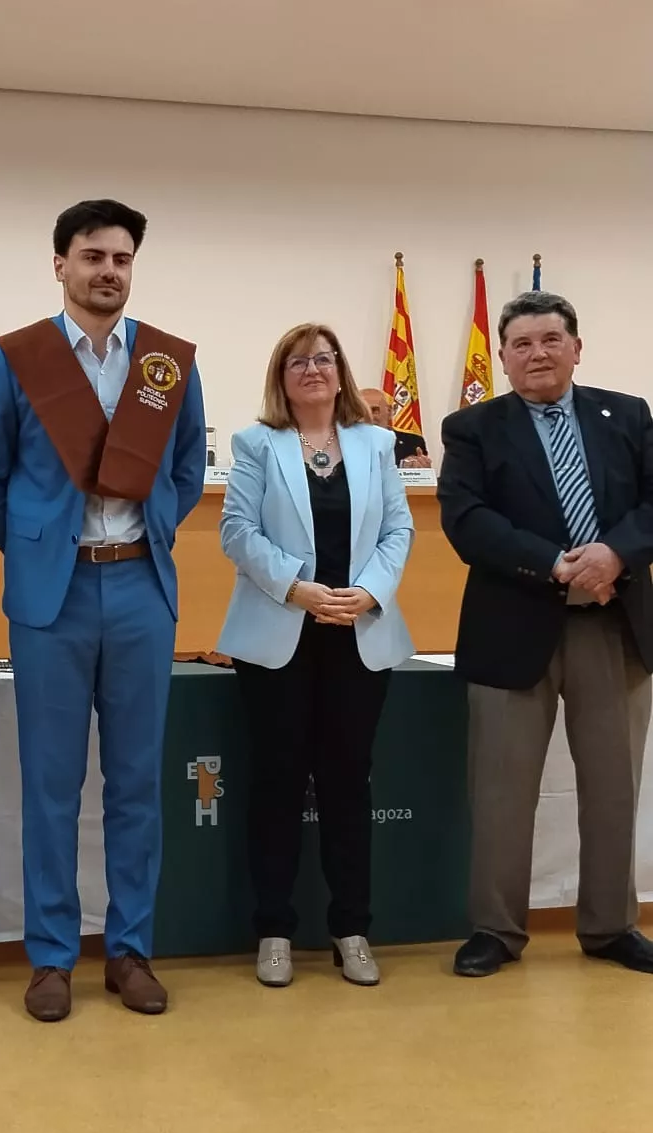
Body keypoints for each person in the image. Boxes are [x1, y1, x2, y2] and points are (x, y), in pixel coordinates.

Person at [0, 199, 207, 1023]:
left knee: (137, 781)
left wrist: (155, 533)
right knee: (52, 783)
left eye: (122, 258)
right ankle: (51, 958)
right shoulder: (16, 358)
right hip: (51, 596)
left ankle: (131, 949)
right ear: (60, 264)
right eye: (93, 256)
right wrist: (36, 545)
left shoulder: (166, 362)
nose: (108, 271)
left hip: (141, 588)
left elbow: (185, 469)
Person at [438, 290, 653, 978]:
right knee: (502, 791)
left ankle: (611, 925)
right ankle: (497, 931)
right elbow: (466, 520)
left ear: (577, 347)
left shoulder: (629, 415)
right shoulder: (472, 428)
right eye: (522, 343)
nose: (537, 353)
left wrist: (613, 553)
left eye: (550, 339)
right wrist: (558, 564)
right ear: (502, 357)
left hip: (613, 627)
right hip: (513, 628)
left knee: (614, 787)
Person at [218, 325, 414, 988]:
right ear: (282, 375)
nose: (313, 370)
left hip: (358, 633)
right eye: (298, 361)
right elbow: (237, 531)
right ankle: (273, 929)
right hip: (281, 634)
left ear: (340, 371)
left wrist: (370, 591)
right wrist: (297, 588)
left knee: (347, 784)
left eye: (323, 359)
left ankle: (350, 928)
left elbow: (398, 528)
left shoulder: (376, 443)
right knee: (276, 781)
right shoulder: (256, 444)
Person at [360, 387, 432, 468]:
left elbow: (424, 477)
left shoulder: (413, 443)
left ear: (390, 411)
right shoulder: (345, 443)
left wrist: (423, 469)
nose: (368, 417)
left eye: (374, 410)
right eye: (362, 411)